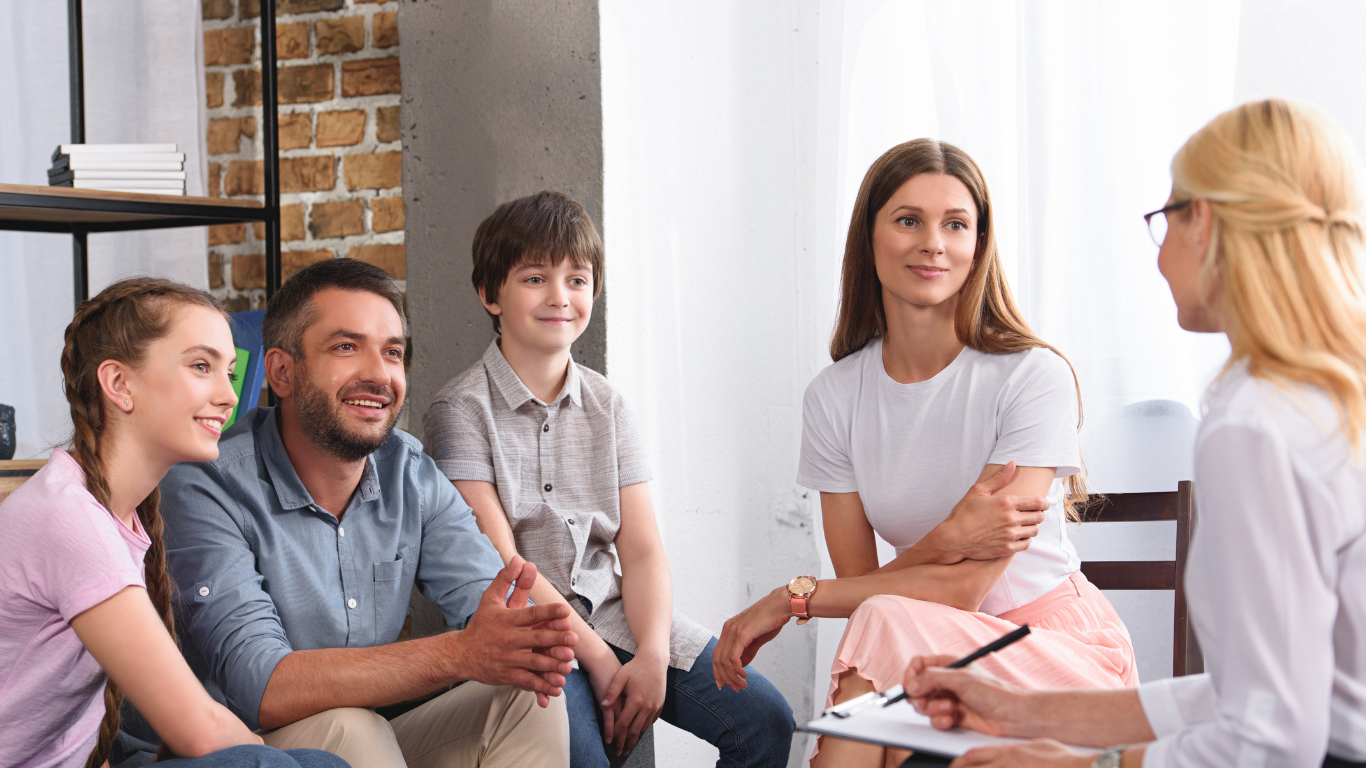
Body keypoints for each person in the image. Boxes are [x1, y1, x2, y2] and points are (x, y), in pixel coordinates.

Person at [900, 99, 1366, 768]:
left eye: (1165, 220)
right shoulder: (1327, 398)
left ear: (1201, 221)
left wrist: (1088, 766)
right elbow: (1257, 693)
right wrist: (1018, 708)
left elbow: (1272, 740)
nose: (1160, 256)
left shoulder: (1257, 424)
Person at [712, 139, 1138, 767]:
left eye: (956, 224)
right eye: (908, 219)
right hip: (925, 646)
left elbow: (965, 588)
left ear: (978, 245)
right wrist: (946, 539)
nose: (933, 242)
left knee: (884, 625)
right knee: (884, 625)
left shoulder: (1031, 376)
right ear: (870, 237)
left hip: (1051, 648)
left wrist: (791, 598)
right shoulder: (834, 397)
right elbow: (860, 585)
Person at [422, 191, 797, 768]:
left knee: (767, 720)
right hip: (533, 632)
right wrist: (598, 660)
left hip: (619, 615)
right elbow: (504, 564)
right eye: (534, 279)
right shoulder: (459, 410)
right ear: (489, 293)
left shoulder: (609, 405)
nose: (559, 297)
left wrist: (650, 655)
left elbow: (643, 551)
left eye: (577, 279)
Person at [159, 258, 577, 768]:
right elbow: (259, 685)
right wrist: (460, 653)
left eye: (393, 353)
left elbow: (493, 617)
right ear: (282, 372)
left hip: (367, 740)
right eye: (345, 347)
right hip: (235, 750)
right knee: (350, 727)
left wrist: (511, 640)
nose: (378, 375)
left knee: (525, 701)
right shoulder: (207, 483)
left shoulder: (410, 471)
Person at [0, 278, 346, 768]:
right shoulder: (68, 519)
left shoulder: (113, 511)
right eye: (201, 366)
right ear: (119, 384)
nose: (229, 396)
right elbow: (198, 729)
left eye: (229, 371)